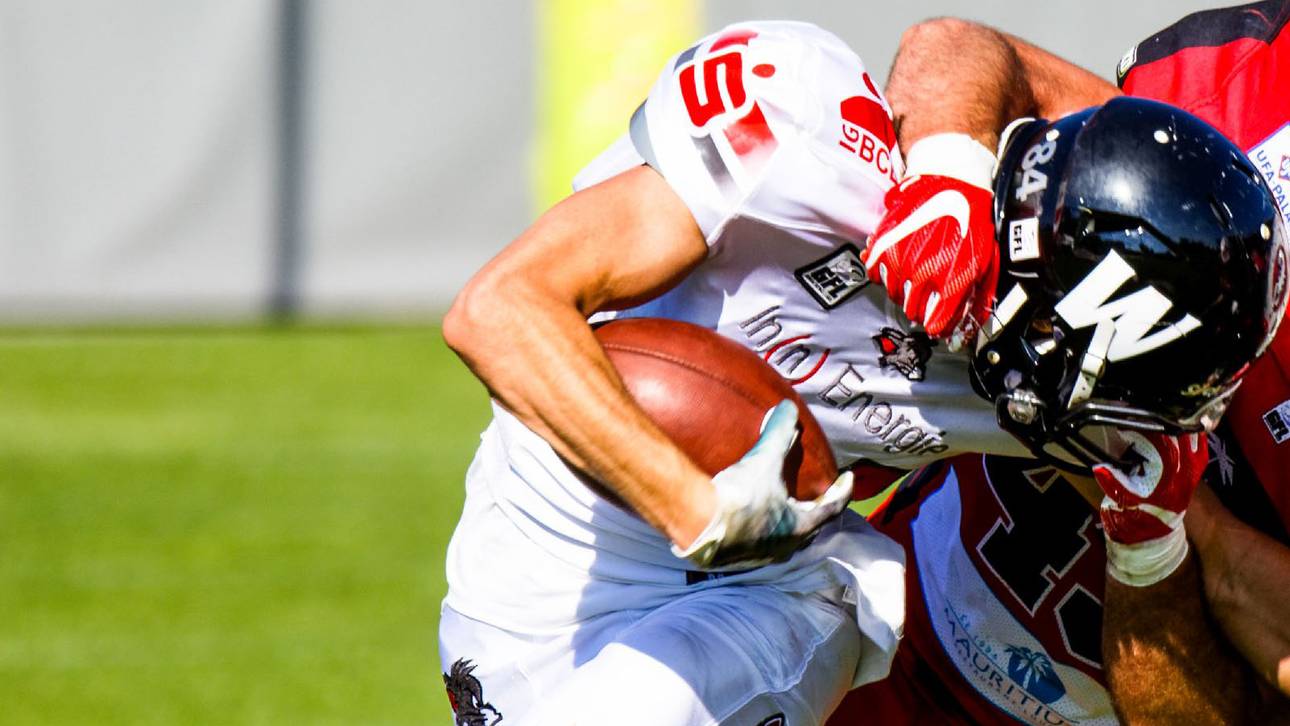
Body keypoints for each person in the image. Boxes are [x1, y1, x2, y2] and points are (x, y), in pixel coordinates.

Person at [439, 18, 1282, 726]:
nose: (1094, 415)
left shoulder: (1095, 400)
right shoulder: (805, 126)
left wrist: (1153, 538)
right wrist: (697, 505)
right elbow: (497, 310)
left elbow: (1229, 591)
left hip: (784, 587)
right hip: (557, 524)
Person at [829, 8, 1290, 724]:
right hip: (892, 602)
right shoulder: (1248, 91)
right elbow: (963, 54)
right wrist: (950, 179)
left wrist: (1158, 534)